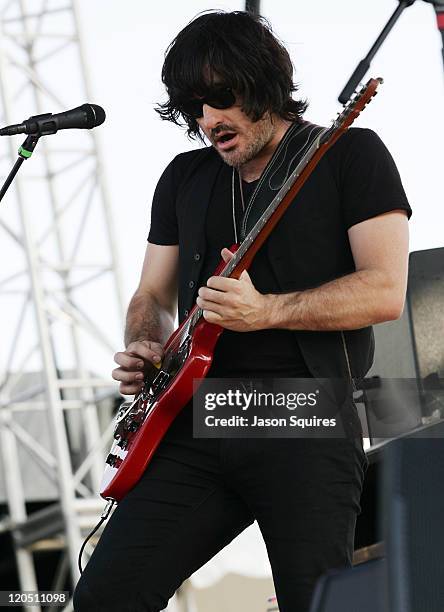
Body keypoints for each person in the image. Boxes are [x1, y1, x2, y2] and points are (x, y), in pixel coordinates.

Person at [73, 10, 411, 612]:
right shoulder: (184, 177)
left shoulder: (349, 154)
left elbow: (384, 290)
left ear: (262, 82)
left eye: (220, 99)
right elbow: (150, 295)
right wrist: (145, 343)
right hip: (195, 418)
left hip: (304, 413)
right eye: (192, 108)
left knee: (318, 603)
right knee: (105, 596)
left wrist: (267, 311)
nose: (208, 121)